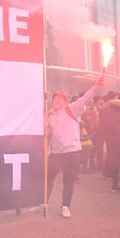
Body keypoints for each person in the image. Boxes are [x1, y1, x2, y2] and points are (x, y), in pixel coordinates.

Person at [47, 77, 104, 218]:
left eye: (60, 99)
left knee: (68, 180)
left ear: (65, 101)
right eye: (55, 99)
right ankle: (44, 203)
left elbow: (86, 97)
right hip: (55, 152)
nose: (57, 101)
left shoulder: (72, 109)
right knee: (47, 178)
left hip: (71, 152)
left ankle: (65, 206)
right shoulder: (50, 115)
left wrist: (96, 86)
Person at [99, 95, 120, 191]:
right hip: (119, 138)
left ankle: (114, 184)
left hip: (111, 140)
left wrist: (107, 137)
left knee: (115, 161)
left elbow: (102, 127)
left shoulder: (104, 111)